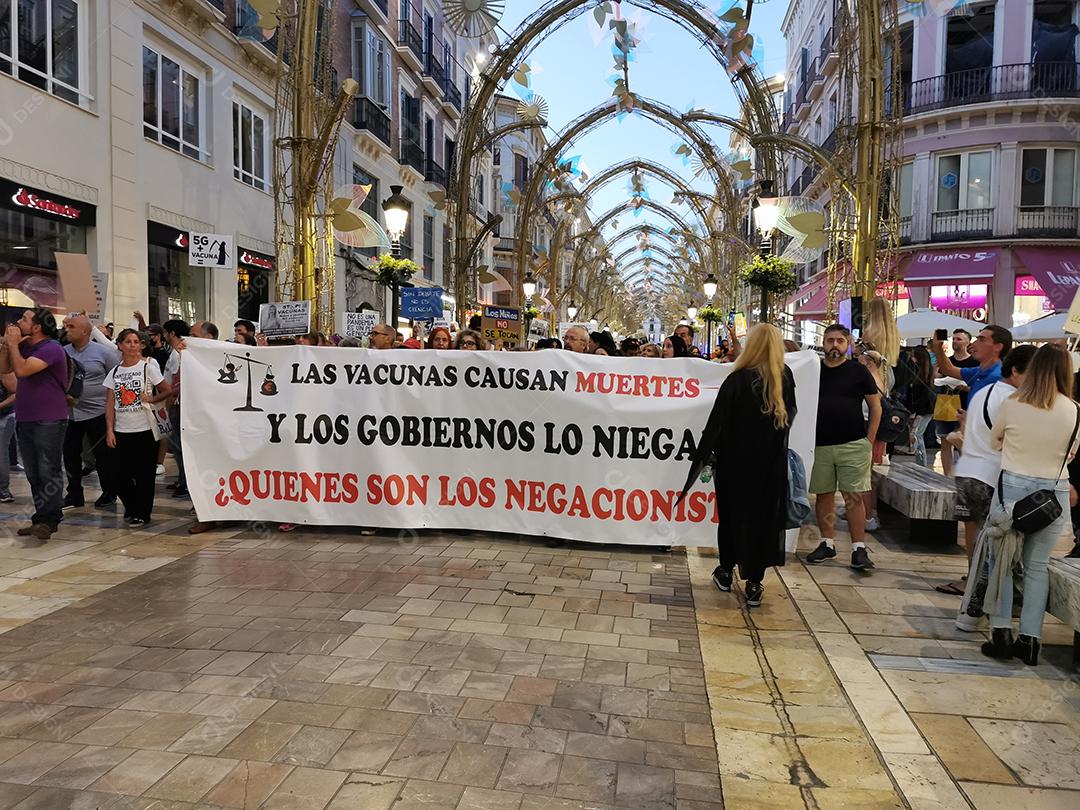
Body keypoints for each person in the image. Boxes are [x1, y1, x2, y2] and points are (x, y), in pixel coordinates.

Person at [682, 324, 796, 607]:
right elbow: (788, 420)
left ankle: (725, 569)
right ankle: (754, 581)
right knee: (762, 522)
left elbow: (718, 425)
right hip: (770, 467)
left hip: (736, 466)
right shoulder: (785, 378)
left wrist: (707, 458)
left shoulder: (737, 381)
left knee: (732, 519)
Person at [982, 344, 1080, 665]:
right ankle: (1031, 641)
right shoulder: (1073, 409)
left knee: (1004, 563)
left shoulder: (1013, 403)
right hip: (1053, 495)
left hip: (1012, 489)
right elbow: (1072, 451)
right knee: (1037, 567)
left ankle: (1001, 636)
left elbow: (994, 441)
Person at [939, 346, 1036, 609]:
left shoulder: (983, 391)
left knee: (973, 531)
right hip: (993, 474)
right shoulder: (1014, 399)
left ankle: (973, 583)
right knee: (997, 537)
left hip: (970, 470)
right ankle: (992, 592)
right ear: (1016, 371)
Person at [806, 324, 881, 570]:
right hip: (820, 444)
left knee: (854, 497)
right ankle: (827, 543)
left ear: (847, 344)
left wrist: (868, 441)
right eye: (830, 341)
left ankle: (859, 548)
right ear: (823, 343)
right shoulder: (814, 370)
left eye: (839, 341)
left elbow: (875, 407)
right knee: (823, 495)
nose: (834, 345)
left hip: (853, 443)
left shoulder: (858, 372)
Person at [0, 309, 71, 543]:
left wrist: (12, 343)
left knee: (48, 468)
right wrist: (7, 345)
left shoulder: (51, 348)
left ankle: (50, 520)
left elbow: (21, 370)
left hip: (49, 417)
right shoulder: (25, 346)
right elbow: (4, 370)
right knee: (32, 471)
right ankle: (41, 517)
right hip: (26, 417)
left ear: (38, 327)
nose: (18, 323)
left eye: (24, 320)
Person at [104, 329, 172, 527]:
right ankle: (132, 505)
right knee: (117, 475)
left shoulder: (148, 367)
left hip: (145, 428)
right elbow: (109, 404)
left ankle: (142, 512)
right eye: (128, 341)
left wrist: (151, 398)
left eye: (136, 341)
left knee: (144, 474)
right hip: (121, 429)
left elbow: (167, 390)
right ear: (120, 345)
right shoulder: (115, 371)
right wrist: (109, 429)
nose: (132, 345)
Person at [932, 325, 1012, 476]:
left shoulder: (997, 377)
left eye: (981, 340)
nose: (974, 344)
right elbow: (948, 369)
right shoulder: (980, 371)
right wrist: (938, 348)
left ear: (998, 347)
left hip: (987, 459)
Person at [61, 314, 120, 510]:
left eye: (71, 326)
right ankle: (74, 494)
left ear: (85, 331)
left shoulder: (104, 353)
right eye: (66, 326)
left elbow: (116, 382)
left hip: (98, 413)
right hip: (71, 414)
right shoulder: (62, 352)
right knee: (70, 454)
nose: (66, 330)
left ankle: (109, 492)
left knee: (103, 456)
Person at [161, 320, 189, 499]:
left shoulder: (179, 353)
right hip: (173, 400)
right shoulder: (174, 352)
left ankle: (185, 481)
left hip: (178, 402)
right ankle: (181, 478)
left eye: (165, 332)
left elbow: (176, 382)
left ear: (171, 333)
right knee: (175, 444)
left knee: (179, 445)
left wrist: (168, 401)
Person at [906, 346, 937, 468]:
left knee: (916, 434)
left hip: (923, 410)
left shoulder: (922, 374)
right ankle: (920, 463)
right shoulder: (923, 372)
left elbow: (924, 396)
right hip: (923, 409)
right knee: (916, 435)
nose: (911, 358)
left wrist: (912, 409)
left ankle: (921, 465)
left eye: (913, 355)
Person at [0, 371, 15, 503]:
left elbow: (16, 393)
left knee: (1, 452)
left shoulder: (3, 367)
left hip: (4, 416)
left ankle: (3, 490)